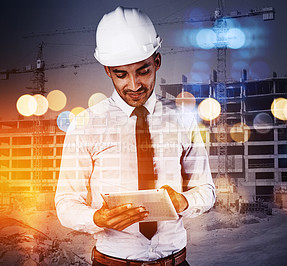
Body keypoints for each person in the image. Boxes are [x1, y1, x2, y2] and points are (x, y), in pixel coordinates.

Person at [55, 6, 215, 266]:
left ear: (157, 62)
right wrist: (96, 219)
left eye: (143, 71)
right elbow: (65, 202)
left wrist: (183, 200)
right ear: (107, 70)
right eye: (121, 74)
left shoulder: (183, 118)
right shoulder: (85, 125)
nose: (134, 85)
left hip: (175, 261)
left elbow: (206, 190)